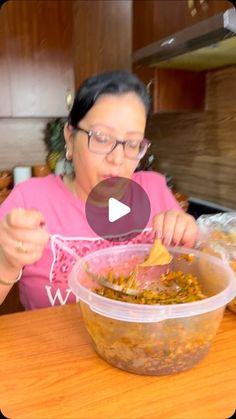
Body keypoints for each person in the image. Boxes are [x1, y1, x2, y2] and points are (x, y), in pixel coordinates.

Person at [0, 70, 198, 310]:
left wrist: (188, 235)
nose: (117, 158)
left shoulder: (155, 190)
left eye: (132, 144)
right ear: (70, 138)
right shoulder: (29, 199)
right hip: (56, 347)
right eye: (102, 138)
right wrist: (6, 262)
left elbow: (195, 280)